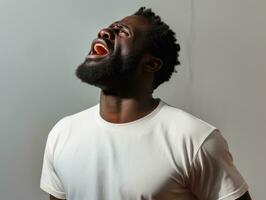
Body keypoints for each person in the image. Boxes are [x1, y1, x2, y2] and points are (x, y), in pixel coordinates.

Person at [40, 7, 252, 200]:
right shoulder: (63, 133)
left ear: (151, 63)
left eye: (123, 32)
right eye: (110, 28)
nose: (105, 32)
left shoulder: (195, 140)